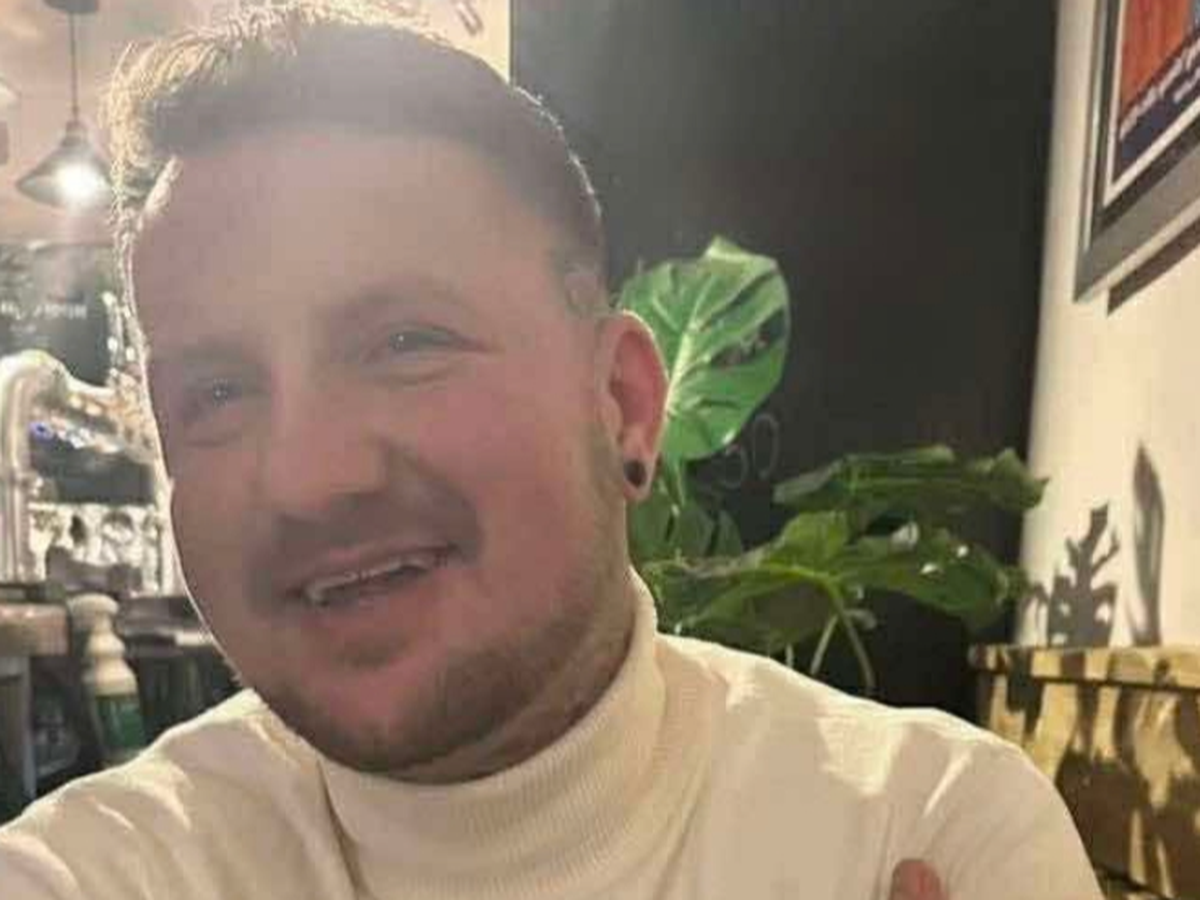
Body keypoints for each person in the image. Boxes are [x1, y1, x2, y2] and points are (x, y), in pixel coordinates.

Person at [0, 4, 1101, 898]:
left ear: (621, 403)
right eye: (217, 393)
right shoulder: (94, 872)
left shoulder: (923, 827)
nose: (305, 477)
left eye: (405, 343)